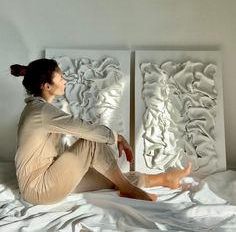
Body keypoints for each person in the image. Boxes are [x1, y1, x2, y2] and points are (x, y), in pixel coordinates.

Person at [10, 58, 192, 205]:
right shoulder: (41, 111)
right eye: (60, 78)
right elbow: (83, 127)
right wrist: (117, 137)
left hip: (49, 178)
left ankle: (166, 179)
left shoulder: (40, 109)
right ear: (47, 86)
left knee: (110, 177)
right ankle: (129, 190)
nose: (65, 81)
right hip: (39, 188)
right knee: (91, 141)